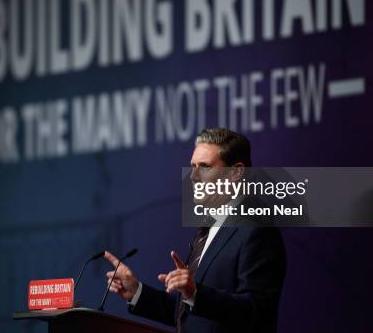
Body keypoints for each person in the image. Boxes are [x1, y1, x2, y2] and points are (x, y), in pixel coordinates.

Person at [104, 128, 286, 332]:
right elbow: (187, 311)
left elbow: (256, 311)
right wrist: (136, 291)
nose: (193, 176)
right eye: (192, 166)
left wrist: (196, 293)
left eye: (205, 167)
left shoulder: (256, 230)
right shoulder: (209, 229)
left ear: (236, 172)